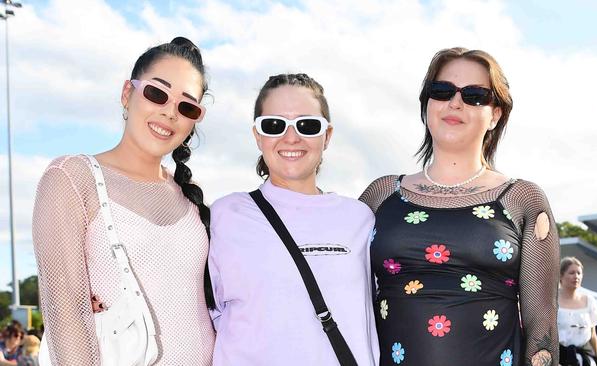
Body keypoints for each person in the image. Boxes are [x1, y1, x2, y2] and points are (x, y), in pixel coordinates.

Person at [359, 47, 560, 366]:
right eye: (441, 91)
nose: (455, 102)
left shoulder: (522, 199)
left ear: (495, 114)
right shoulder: (380, 196)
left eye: (475, 95)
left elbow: (542, 326)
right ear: (427, 104)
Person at [32, 37, 215, 365]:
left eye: (187, 106)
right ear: (127, 94)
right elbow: (66, 311)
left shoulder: (190, 198)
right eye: (157, 93)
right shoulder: (72, 177)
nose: (169, 112)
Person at [208, 73, 379, 365]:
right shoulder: (224, 215)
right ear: (257, 136)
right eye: (274, 125)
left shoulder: (360, 219)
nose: (291, 137)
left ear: (327, 136)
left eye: (307, 125)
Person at [557, 257, 597, 365]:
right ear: (561, 275)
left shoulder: (589, 300)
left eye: (579, 273)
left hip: (584, 358)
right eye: (571, 273)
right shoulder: (551, 300)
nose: (576, 277)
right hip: (558, 358)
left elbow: (592, 335)